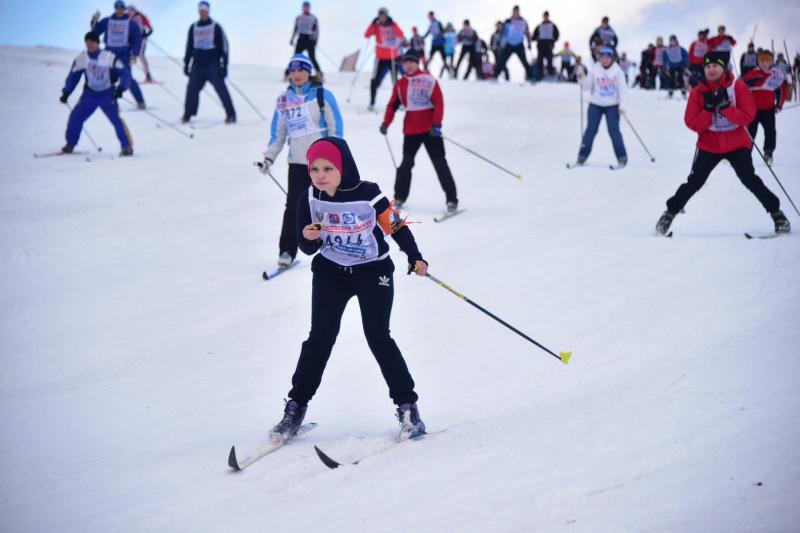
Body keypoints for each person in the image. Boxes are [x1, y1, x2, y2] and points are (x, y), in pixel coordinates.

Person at [269, 136, 429, 443]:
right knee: (319, 339)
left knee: (378, 336)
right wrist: (308, 236)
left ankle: (408, 408)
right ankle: (296, 407)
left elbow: (396, 226)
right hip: (331, 272)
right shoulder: (309, 199)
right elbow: (307, 249)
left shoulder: (369, 194)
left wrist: (415, 256)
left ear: (343, 166)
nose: (320, 175)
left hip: (373, 271)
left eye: (328, 167)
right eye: (314, 168)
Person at [655, 51, 789, 236]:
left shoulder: (738, 86)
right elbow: (691, 122)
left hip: (737, 144)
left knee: (749, 179)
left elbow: (748, 117)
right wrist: (709, 111)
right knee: (694, 182)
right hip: (710, 145)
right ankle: (669, 214)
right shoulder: (699, 91)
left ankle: (777, 214)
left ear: (723, 67)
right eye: (707, 66)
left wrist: (727, 108)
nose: (711, 70)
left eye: (715, 66)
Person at [259, 54, 343, 268]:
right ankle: (287, 250)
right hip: (297, 162)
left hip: (323, 162)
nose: (296, 74)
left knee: (333, 204)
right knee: (294, 207)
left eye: (301, 69)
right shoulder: (284, 100)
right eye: (293, 70)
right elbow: (278, 134)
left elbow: (336, 128)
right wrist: (268, 158)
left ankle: (344, 243)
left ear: (309, 72)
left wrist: (338, 157)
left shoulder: (322, 95)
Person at [380, 49, 458, 213]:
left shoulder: (429, 80)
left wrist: (437, 124)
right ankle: (399, 197)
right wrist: (386, 122)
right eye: (405, 62)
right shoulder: (400, 84)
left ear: (417, 62)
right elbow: (392, 105)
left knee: (440, 163)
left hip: (431, 130)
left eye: (411, 62)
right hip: (411, 131)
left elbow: (439, 101)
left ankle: (452, 200)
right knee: (406, 164)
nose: (408, 65)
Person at [60, 32, 133, 156]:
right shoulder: (82, 59)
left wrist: (121, 88)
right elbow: (73, 76)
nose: (90, 45)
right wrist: (67, 92)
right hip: (90, 95)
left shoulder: (108, 56)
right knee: (76, 117)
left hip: (107, 94)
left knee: (116, 120)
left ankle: (126, 147)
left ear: (98, 43)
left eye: (92, 42)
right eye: (87, 42)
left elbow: (124, 72)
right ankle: (70, 144)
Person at [182, 1, 236, 124]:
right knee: (191, 89)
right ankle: (188, 114)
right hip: (197, 64)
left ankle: (231, 114)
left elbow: (224, 47)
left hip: (213, 64)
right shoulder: (193, 27)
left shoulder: (216, 26)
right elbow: (189, 46)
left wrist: (224, 66)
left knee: (221, 89)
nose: (202, 13)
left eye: (204, 11)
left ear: (208, 11)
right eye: (200, 11)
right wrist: (186, 63)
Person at [574, 47, 627, 167]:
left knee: (614, 131)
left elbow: (623, 90)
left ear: (612, 58)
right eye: (602, 57)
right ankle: (582, 157)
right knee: (590, 131)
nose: (605, 59)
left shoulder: (617, 71)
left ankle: (622, 157)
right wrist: (581, 77)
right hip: (595, 105)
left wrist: (622, 106)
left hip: (612, 106)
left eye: (607, 57)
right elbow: (586, 87)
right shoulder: (594, 70)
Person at [91, 0, 146, 109]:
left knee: (127, 78)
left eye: (121, 8)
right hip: (108, 54)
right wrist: (94, 21)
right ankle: (112, 102)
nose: (119, 10)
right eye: (117, 8)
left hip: (124, 55)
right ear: (115, 8)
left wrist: (134, 56)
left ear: (124, 9)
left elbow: (137, 40)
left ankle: (140, 101)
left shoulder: (131, 24)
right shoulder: (107, 21)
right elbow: (95, 32)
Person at [743, 49, 787, 165]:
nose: (764, 63)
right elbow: (740, 87)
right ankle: (745, 155)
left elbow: (781, 92)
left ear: (771, 61)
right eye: (762, 60)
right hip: (753, 110)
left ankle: (768, 153)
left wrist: (779, 105)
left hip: (768, 110)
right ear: (758, 61)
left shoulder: (776, 75)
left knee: (770, 132)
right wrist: (747, 83)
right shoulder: (752, 74)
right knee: (750, 133)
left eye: (767, 60)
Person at [364, 7, 404, 111]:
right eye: (380, 15)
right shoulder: (376, 26)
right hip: (380, 58)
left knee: (395, 81)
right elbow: (367, 35)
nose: (381, 17)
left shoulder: (393, 24)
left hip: (392, 57)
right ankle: (372, 103)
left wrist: (393, 25)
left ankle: (398, 103)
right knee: (374, 81)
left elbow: (401, 34)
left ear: (386, 16)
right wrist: (372, 24)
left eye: (383, 15)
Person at [496, 5, 531, 81]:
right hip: (509, 44)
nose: (515, 13)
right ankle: (495, 76)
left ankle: (531, 76)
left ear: (519, 12)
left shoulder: (523, 22)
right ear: (512, 12)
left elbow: (527, 33)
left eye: (517, 12)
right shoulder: (508, 21)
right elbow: (503, 33)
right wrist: (500, 42)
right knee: (502, 60)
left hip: (519, 44)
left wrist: (529, 43)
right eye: (514, 12)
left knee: (524, 61)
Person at [290, 2, 322, 77]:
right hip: (301, 39)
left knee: (312, 58)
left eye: (307, 7)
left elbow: (316, 31)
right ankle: (288, 73)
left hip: (309, 40)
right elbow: (295, 29)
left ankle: (319, 74)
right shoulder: (298, 18)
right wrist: (292, 38)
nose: (305, 8)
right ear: (302, 8)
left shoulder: (313, 18)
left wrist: (315, 41)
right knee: (296, 57)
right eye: (304, 7)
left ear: (309, 8)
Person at [125, 5, 153, 82]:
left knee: (140, 55)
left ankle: (148, 75)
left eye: (131, 12)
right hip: (132, 40)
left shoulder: (141, 17)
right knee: (132, 55)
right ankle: (128, 75)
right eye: (128, 12)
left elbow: (150, 29)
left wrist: (146, 34)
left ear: (134, 11)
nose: (129, 13)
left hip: (142, 39)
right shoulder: (127, 18)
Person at [532, 10, 559, 79]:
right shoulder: (539, 26)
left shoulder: (552, 25)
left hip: (549, 45)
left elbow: (557, 34)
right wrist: (534, 38)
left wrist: (553, 41)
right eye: (545, 16)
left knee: (550, 60)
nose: (546, 17)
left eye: (547, 16)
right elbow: (534, 36)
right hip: (541, 45)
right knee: (540, 60)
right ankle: (540, 74)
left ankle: (551, 74)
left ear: (548, 16)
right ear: (543, 17)